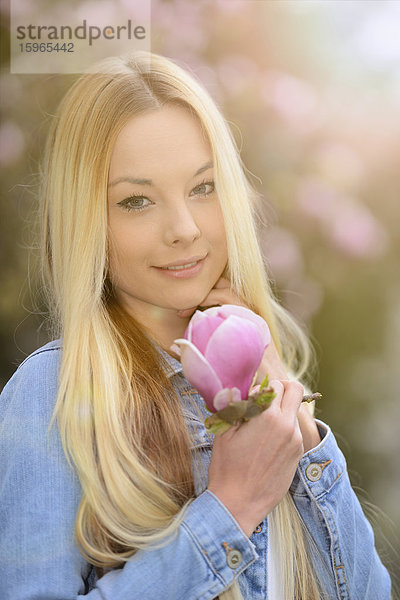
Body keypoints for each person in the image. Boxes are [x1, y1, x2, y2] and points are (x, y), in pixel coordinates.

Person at [0, 50, 391, 600]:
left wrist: (297, 431)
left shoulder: (266, 372)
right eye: (137, 200)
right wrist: (228, 510)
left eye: (203, 188)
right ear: (88, 221)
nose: (183, 229)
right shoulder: (50, 398)